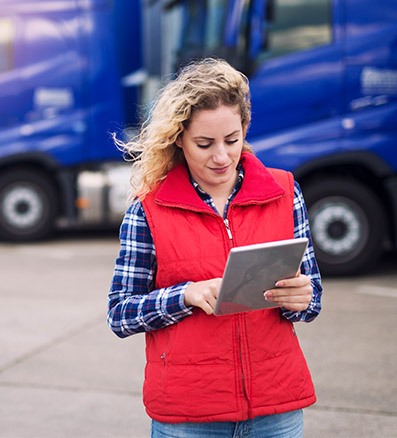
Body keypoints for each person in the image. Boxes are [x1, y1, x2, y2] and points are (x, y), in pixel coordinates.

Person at [108, 58, 322, 438]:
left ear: (245, 129)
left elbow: (312, 298)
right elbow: (120, 314)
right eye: (204, 144)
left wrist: (302, 299)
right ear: (179, 137)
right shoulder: (148, 210)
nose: (221, 157)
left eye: (232, 140)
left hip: (275, 409)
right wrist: (185, 295)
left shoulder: (285, 192)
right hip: (189, 417)